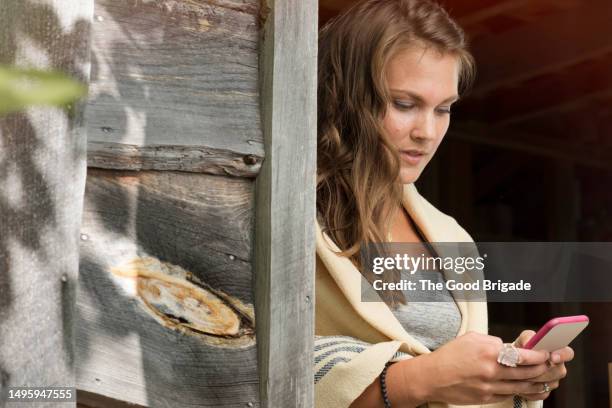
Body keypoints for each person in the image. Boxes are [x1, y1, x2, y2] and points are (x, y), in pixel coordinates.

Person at [313, 1, 574, 407]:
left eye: (443, 109)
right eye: (404, 104)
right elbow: (246, 355)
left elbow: (449, 382)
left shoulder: (451, 235)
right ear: (344, 95)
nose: (428, 132)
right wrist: (417, 379)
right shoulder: (286, 214)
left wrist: (508, 374)